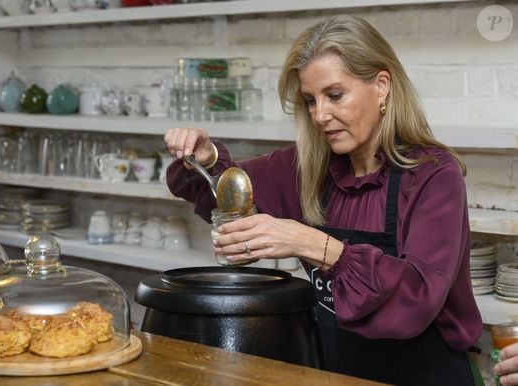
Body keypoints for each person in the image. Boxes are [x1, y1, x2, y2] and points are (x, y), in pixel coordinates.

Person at [164, 15, 482, 386]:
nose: (319, 115)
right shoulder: (306, 168)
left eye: (334, 95)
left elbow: (417, 297)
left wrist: (309, 242)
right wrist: (205, 159)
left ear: (381, 86)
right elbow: (229, 187)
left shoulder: (431, 174)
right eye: (310, 101)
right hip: (333, 370)